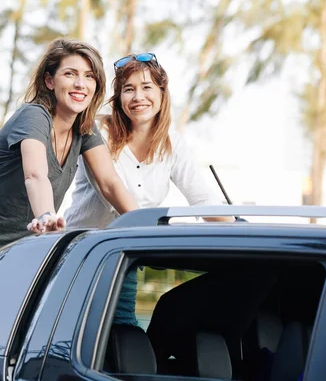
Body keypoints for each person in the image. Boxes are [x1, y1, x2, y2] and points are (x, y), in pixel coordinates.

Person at [0, 38, 139, 354]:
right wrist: (45, 215)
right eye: (70, 74)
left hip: (12, 259)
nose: (80, 84)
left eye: (89, 76)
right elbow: (36, 174)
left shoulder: (84, 129)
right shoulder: (34, 116)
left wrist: (143, 225)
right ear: (49, 80)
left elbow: (110, 184)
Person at [64, 52, 232, 327]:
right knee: (78, 333)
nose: (138, 97)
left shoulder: (172, 143)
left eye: (146, 87)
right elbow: (111, 192)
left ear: (162, 93)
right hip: (83, 256)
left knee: (124, 333)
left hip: (125, 258)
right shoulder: (97, 133)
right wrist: (153, 236)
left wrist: (238, 227)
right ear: (118, 98)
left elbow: (202, 199)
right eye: (128, 89)